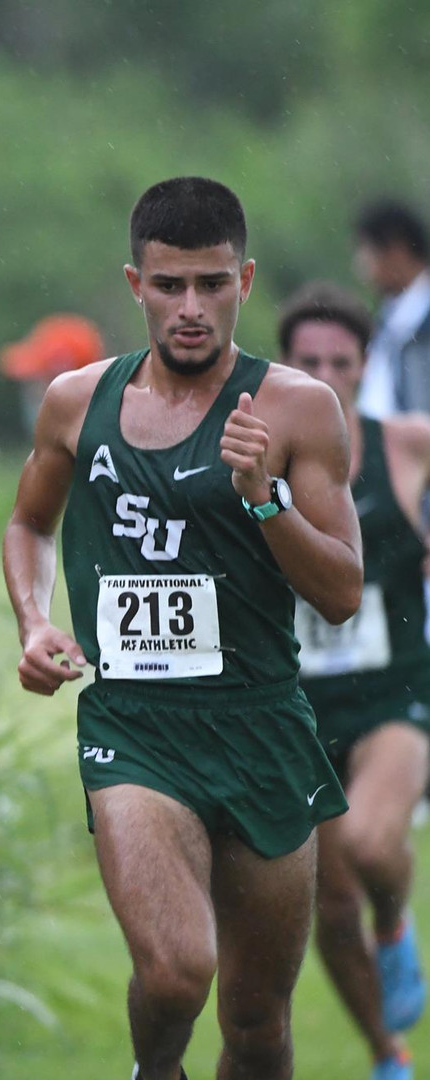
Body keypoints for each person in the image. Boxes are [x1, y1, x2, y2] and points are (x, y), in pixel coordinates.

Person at [2, 176, 362, 1080]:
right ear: (135, 285)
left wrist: (266, 500)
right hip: (136, 729)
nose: (191, 308)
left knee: (255, 1026)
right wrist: (33, 620)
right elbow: (27, 524)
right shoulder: (75, 403)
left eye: (212, 284)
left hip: (262, 725)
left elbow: (346, 592)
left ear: (245, 279)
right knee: (173, 973)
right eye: (170, 286)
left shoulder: (298, 409)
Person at [278, 282, 430, 1080]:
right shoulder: (254, 457)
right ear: (284, 367)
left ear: (365, 367)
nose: (327, 374)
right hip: (298, 711)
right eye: (310, 361)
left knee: (374, 843)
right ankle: (387, 1055)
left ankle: (398, 924)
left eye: (342, 361)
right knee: (330, 908)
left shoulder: (403, 444)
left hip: (395, 693)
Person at [354, 201, 430, 418]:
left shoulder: (420, 322)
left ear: (397, 250)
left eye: (367, 252)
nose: (360, 266)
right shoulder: (388, 320)